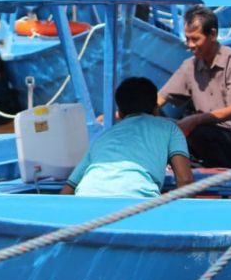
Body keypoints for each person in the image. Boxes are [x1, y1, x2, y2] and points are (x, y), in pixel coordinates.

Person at [158, 5, 231, 168]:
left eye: (195, 39)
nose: (190, 45)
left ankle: (198, 166)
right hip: (202, 133)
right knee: (158, 124)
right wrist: (129, 115)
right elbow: (160, 98)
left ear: (212, 34)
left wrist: (194, 120)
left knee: (199, 131)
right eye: (187, 39)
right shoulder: (190, 65)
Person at [60, 77, 193, 198]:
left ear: (121, 113)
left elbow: (70, 187)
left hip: (86, 199)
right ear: (156, 109)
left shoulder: (104, 136)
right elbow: (185, 180)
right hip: (137, 204)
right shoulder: (170, 129)